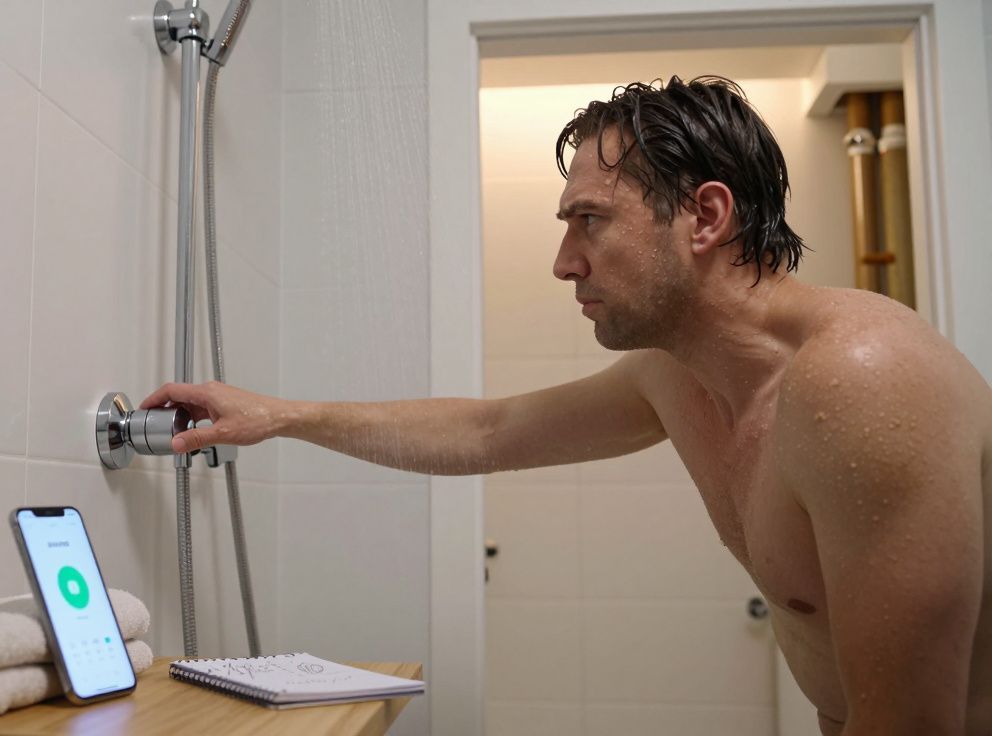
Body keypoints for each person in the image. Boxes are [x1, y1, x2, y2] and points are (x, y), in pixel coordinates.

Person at [140, 76, 992, 735]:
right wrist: (280, 415)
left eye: (589, 221)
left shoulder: (865, 381)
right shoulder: (678, 376)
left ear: (705, 216)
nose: (563, 262)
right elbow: (487, 430)